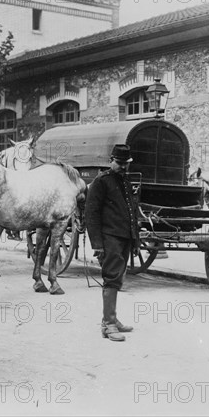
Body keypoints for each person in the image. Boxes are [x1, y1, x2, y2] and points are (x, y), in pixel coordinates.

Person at [86, 144, 139, 342]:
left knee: (117, 277)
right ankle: (108, 325)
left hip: (124, 236)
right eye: (119, 163)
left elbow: (132, 210)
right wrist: (97, 244)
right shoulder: (102, 181)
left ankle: (112, 319)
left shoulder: (125, 180)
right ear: (111, 160)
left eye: (126, 164)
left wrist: (135, 238)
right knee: (111, 277)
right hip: (110, 238)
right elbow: (91, 214)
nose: (123, 167)